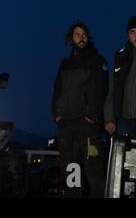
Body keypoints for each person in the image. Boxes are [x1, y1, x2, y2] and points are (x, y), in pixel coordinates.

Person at [51, 21, 108, 197]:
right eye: (77, 34)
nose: (81, 37)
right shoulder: (65, 64)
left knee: (94, 173)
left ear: (88, 37)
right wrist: (56, 114)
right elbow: (57, 90)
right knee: (71, 172)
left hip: (87, 125)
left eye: (84, 34)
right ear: (71, 38)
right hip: (66, 126)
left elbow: (102, 89)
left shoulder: (97, 60)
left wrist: (91, 115)